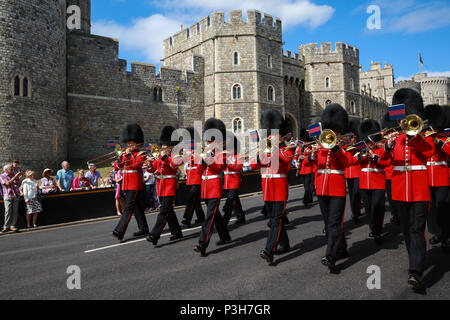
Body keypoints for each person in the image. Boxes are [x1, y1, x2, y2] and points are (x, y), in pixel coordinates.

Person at [382, 88, 435, 289]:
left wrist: (415, 136)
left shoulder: (425, 134)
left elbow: (429, 151)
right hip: (399, 188)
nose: (403, 123)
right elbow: (384, 160)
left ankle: (416, 271)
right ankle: (416, 258)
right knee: (406, 229)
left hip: (419, 187)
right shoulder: (394, 137)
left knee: (416, 228)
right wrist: (387, 147)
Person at [308, 104, 353, 272]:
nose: (332, 134)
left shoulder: (345, 146)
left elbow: (348, 162)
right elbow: (310, 164)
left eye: (335, 131)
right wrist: (312, 154)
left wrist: (335, 147)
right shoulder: (320, 145)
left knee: (334, 224)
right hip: (322, 187)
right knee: (329, 224)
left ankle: (331, 256)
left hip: (336, 189)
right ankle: (341, 248)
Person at [250, 110, 295, 264]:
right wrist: (261, 153)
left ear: (280, 135)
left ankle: (269, 250)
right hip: (267, 189)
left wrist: (275, 148)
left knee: (275, 221)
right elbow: (253, 165)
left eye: (273, 134)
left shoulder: (287, 149)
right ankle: (285, 244)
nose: (269, 137)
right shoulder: (264, 149)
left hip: (279, 189)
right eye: (268, 134)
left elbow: (285, 162)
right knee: (276, 219)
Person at [193, 118, 231, 257]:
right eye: (208, 140)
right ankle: (225, 236)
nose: (208, 143)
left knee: (209, 216)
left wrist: (208, 158)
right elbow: (198, 171)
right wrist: (201, 159)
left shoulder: (222, 152)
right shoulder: (206, 151)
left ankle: (202, 243)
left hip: (214, 186)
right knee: (215, 215)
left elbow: (219, 167)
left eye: (211, 140)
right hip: (205, 187)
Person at [146, 126, 183, 246]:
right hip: (160, 186)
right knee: (169, 211)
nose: (162, 148)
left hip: (170, 186)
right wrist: (150, 164)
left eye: (164, 146)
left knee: (163, 211)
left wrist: (166, 157)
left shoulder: (176, 156)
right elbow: (152, 170)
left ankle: (154, 235)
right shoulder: (160, 157)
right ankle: (176, 232)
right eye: (162, 146)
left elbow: (174, 166)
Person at [112, 123, 150, 241]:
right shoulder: (124, 154)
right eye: (128, 143)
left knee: (128, 208)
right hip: (127, 184)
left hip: (135, 184)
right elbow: (117, 168)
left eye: (130, 143)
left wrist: (128, 156)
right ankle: (144, 229)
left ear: (136, 143)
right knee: (137, 208)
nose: (128, 145)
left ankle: (119, 230)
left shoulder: (141, 154)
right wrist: (119, 159)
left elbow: (135, 165)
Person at [355, 119, 391, 244]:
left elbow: (386, 162)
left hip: (378, 182)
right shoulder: (361, 150)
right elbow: (354, 162)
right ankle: (373, 227)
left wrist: (375, 157)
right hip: (365, 182)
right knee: (369, 209)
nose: (368, 144)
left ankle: (378, 230)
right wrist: (361, 156)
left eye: (369, 141)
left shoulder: (381, 149)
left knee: (378, 207)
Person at [423, 104, 450, 249]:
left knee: (442, 208)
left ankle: (446, 235)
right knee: (431, 208)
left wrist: (438, 141)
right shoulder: (424, 136)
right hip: (426, 176)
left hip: (441, 176)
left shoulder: (444, 136)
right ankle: (437, 232)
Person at [181, 127, 205, 226]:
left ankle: (187, 218)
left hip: (196, 177)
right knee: (195, 201)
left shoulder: (198, 151)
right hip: (190, 178)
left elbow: (198, 160)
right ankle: (201, 217)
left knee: (191, 199)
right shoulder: (188, 151)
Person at [222, 132, 245, 226]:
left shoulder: (239, 157)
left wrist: (228, 162)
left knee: (230, 200)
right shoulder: (226, 156)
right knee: (235, 200)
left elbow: (237, 167)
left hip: (234, 180)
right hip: (227, 180)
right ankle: (241, 217)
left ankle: (224, 221)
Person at [344, 119, 362, 222]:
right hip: (348, 173)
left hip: (357, 171)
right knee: (351, 194)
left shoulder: (358, 143)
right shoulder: (346, 144)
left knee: (356, 193)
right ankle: (355, 211)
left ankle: (356, 211)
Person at [294, 128, 315, 207]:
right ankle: (310, 199)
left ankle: (306, 200)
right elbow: (296, 154)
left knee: (307, 185)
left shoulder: (312, 144)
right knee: (306, 186)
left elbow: (313, 156)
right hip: (302, 168)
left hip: (310, 168)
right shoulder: (300, 144)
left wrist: (305, 157)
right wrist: (296, 161)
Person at [0, 163, 22, 232]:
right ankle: (6, 226)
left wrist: (19, 178)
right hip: (8, 195)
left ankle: (12, 226)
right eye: (11, 169)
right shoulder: (2, 176)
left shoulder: (14, 175)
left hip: (15, 194)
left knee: (15, 211)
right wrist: (15, 177)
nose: (12, 170)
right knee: (8, 211)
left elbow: (18, 184)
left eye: (12, 169)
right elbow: (7, 184)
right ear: (6, 170)